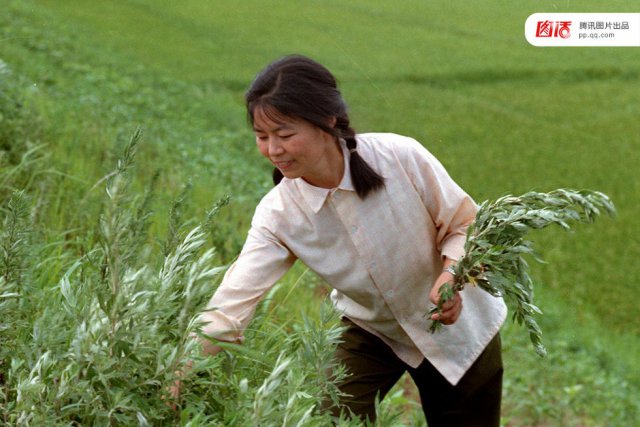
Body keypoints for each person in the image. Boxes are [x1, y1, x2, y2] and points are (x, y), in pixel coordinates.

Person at [195, 54, 507, 426]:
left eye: (285, 135)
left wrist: (451, 277)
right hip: (373, 329)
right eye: (262, 137)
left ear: (328, 120)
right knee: (330, 415)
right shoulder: (278, 214)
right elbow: (232, 302)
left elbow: (467, 224)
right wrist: (182, 368)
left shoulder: (399, 157)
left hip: (459, 325)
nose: (273, 150)